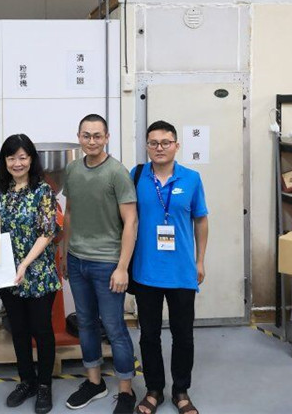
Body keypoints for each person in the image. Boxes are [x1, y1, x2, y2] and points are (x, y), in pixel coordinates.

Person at [60, 114, 138, 414]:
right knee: (86, 323)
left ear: (107, 137)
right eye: (86, 135)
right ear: (78, 137)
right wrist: (65, 252)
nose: (91, 141)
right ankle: (94, 382)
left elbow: (131, 222)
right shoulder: (72, 169)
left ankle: (126, 390)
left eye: (97, 135)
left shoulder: (117, 172)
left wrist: (122, 267)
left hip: (107, 263)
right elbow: (69, 213)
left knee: (114, 327)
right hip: (77, 260)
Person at [130, 121, 208, 414]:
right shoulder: (137, 175)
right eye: (153, 143)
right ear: (147, 146)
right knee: (149, 335)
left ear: (177, 145)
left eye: (165, 142)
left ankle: (181, 391)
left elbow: (201, 219)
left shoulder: (192, 178)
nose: (159, 148)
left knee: (183, 335)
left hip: (182, 272)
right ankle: (154, 390)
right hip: (146, 271)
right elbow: (127, 220)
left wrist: (200, 260)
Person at [0, 134, 61, 414]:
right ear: (4, 161)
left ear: (31, 159)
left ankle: (44, 385)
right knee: (18, 329)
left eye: (22, 157)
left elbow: (47, 232)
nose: (17, 163)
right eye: (11, 158)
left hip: (37, 272)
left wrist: (25, 264)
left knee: (41, 330)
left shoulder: (43, 190)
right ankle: (26, 381)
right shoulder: (0, 188)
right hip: (6, 271)